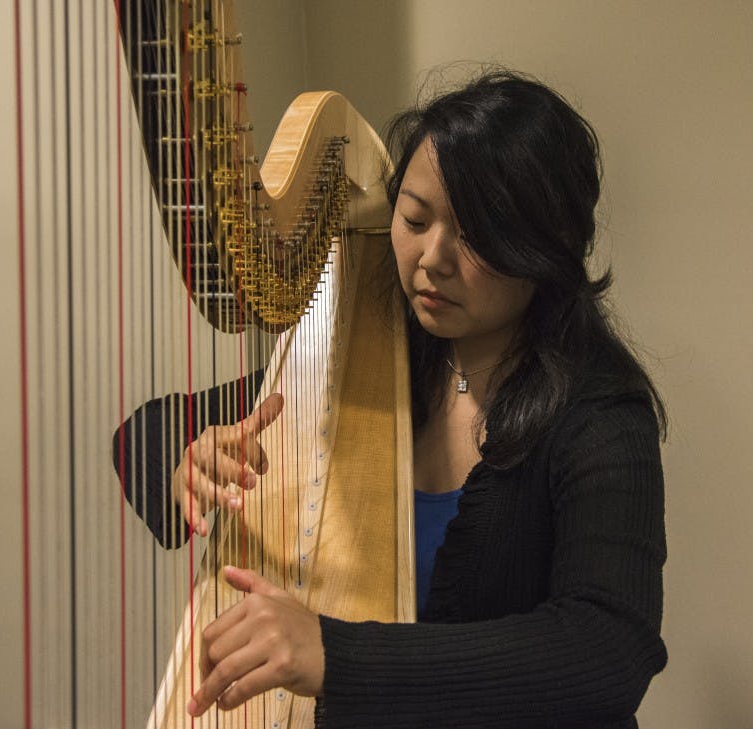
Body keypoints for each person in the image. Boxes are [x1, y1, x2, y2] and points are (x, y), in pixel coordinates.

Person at [114, 68, 668, 728]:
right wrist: (188, 462)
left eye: (474, 237)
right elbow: (141, 434)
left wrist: (335, 653)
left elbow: (607, 650)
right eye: (415, 217)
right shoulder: (381, 344)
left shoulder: (599, 415)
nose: (431, 258)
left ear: (543, 249)